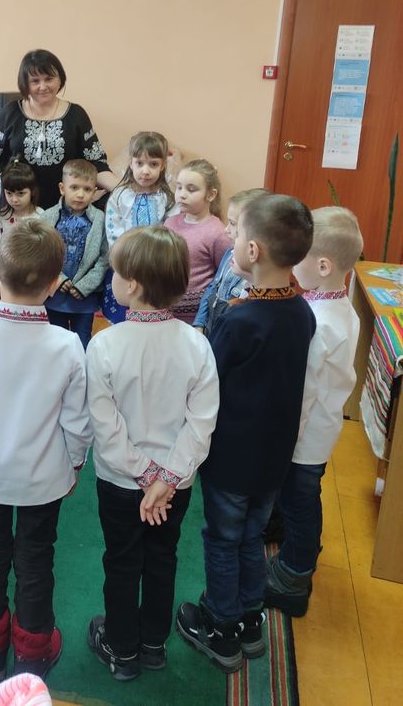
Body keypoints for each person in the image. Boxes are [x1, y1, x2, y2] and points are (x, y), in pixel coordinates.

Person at [0, 220, 92, 685]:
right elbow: (77, 422)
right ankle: (32, 654)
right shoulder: (67, 345)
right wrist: (74, 464)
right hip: (43, 478)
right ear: (54, 283)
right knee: (36, 559)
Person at [175, 193, 316, 673]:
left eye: (237, 235)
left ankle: (220, 625)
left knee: (223, 538)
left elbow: (210, 379)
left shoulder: (241, 319)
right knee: (252, 536)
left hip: (232, 457)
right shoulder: (302, 313)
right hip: (274, 458)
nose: (232, 240)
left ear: (253, 251)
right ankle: (251, 622)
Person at [86, 225, 219, 681]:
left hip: (122, 482)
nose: (112, 280)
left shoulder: (105, 344)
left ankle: (122, 651)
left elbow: (105, 425)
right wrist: (166, 478)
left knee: (122, 561)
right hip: (174, 487)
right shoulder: (197, 344)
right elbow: (201, 422)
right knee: (162, 558)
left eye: (115, 273)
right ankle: (153, 644)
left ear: (133, 285)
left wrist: (145, 475)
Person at [265, 207, 363, 617]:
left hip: (305, 436)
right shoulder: (339, 307)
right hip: (320, 428)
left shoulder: (319, 324)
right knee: (298, 496)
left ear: (322, 266)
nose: (290, 265)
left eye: (296, 257)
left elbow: (302, 393)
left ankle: (294, 574)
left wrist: (280, 436)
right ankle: (286, 537)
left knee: (301, 500)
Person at [0, 50, 117, 209]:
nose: (43, 86)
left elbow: (97, 165)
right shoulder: (10, 113)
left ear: (60, 79)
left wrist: (126, 190)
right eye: (35, 81)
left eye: (49, 79)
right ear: (25, 83)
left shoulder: (76, 115)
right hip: (16, 211)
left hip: (66, 211)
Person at [103, 131, 176, 323]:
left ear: (163, 165)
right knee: (121, 316)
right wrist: (122, 258)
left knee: (150, 310)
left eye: (153, 164)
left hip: (155, 265)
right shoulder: (120, 195)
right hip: (125, 264)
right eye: (140, 163)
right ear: (131, 163)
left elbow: (171, 229)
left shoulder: (166, 198)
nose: (145, 171)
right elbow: (113, 229)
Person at [41, 159, 108, 348]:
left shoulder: (101, 220)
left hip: (84, 299)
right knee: (55, 345)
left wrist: (85, 286)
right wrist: (58, 279)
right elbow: (42, 253)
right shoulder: (47, 217)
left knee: (82, 343)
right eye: (74, 187)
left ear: (94, 192)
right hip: (54, 297)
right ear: (62, 188)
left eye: (87, 189)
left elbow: (105, 258)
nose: (80, 194)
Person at [193, 188, 269, 336]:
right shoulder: (229, 253)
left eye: (233, 224)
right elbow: (213, 286)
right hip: (211, 329)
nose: (226, 230)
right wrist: (200, 323)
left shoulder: (253, 272)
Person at [166, 159, 231, 323]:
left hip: (198, 318)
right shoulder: (169, 223)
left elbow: (224, 275)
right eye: (179, 187)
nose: (182, 194)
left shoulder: (217, 233)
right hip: (165, 309)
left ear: (210, 195)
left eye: (191, 189)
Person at [0, 159, 44, 234]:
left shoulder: (41, 216)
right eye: (9, 193)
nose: (14, 200)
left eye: (20, 193)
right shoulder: (1, 215)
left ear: (32, 191)